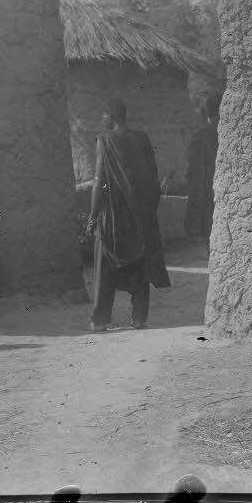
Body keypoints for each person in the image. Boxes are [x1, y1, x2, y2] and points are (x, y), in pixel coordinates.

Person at [88, 99, 171, 331]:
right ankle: (139, 318)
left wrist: (93, 215)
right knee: (140, 264)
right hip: (139, 214)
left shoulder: (104, 141)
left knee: (105, 265)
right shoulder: (142, 139)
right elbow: (152, 177)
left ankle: (100, 320)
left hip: (113, 215)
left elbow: (99, 180)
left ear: (111, 117)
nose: (102, 119)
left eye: (104, 115)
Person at [183, 96, 219, 241]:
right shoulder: (227, 133)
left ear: (207, 113)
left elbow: (192, 168)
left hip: (206, 193)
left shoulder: (201, 136)